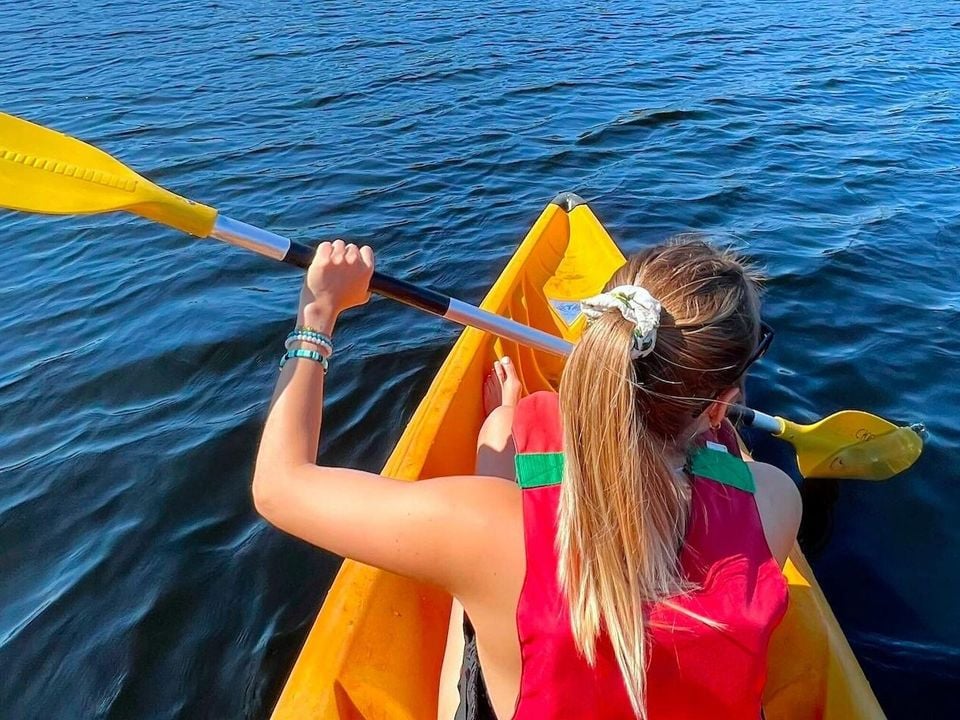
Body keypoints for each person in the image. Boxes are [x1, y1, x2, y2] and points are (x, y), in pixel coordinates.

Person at [253, 238, 802, 720]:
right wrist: (712, 431)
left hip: (512, 547)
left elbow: (280, 486)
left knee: (480, 571)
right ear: (722, 403)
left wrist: (318, 313)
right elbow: (713, 487)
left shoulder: (486, 525)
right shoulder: (776, 502)